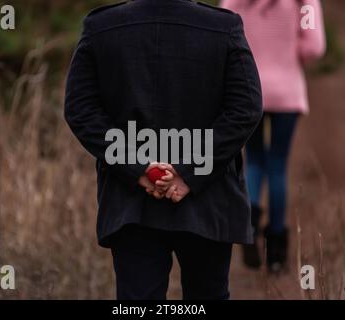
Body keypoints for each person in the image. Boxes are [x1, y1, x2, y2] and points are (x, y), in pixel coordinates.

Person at [64, 0, 262, 300]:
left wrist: (140, 168)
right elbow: (245, 109)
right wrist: (187, 172)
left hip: (131, 203)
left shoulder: (101, 27)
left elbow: (81, 110)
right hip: (209, 201)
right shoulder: (224, 28)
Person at [220, 0, 326, 272]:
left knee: (253, 160)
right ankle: (277, 253)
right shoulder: (303, 3)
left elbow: (225, 36)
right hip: (287, 90)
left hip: (248, 90)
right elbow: (314, 47)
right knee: (278, 165)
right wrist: (290, 53)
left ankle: (250, 225)